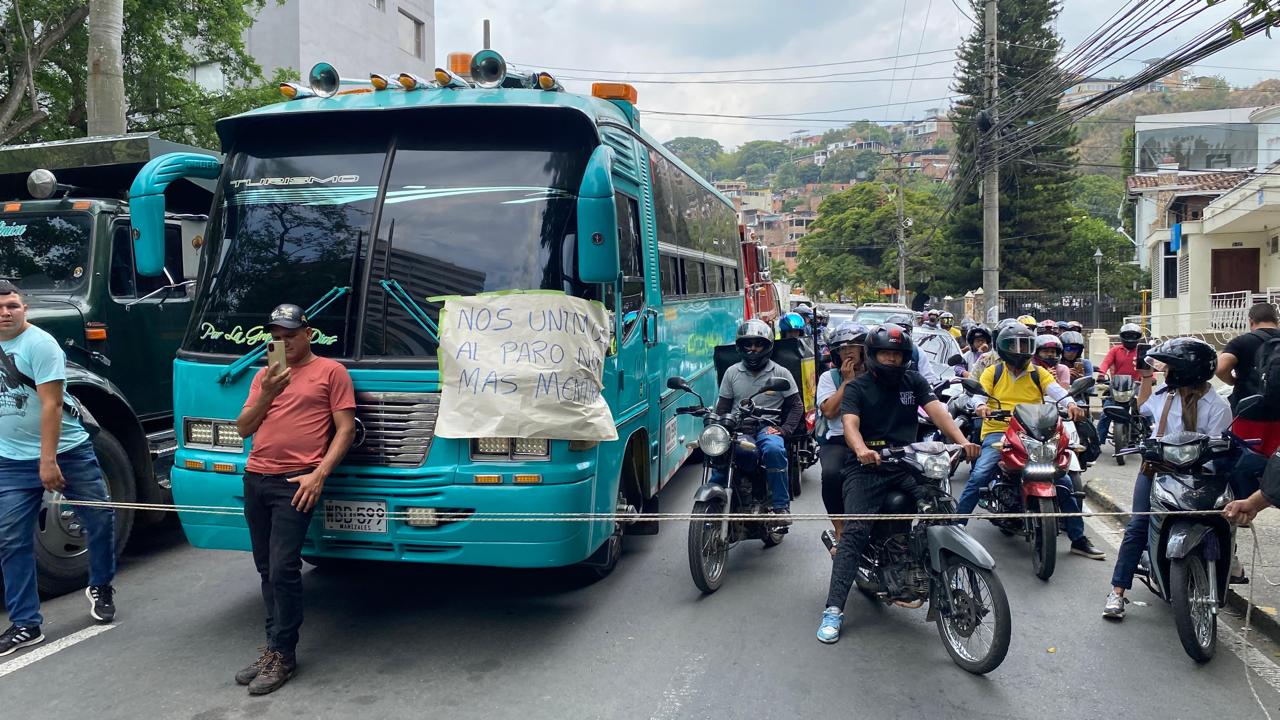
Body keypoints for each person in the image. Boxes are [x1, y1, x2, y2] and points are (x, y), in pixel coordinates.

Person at [816, 325, 979, 643]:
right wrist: (862, 449)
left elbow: (938, 413)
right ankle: (833, 609)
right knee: (854, 535)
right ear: (873, 356)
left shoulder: (913, 380)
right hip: (867, 468)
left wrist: (962, 441)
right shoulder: (856, 387)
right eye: (884, 354)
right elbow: (849, 424)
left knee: (940, 506)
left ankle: (913, 561)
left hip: (908, 461)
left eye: (897, 354)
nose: (891, 359)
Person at [233, 303, 357, 695]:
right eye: (276, 337)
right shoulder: (263, 376)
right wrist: (268, 392)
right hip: (257, 478)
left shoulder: (331, 373)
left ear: (309, 333)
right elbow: (243, 429)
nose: (283, 342)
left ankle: (284, 654)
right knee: (266, 567)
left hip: (295, 483)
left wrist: (319, 475)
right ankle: (272, 648)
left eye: (290, 335)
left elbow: (345, 430)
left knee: (284, 567)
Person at [0, 280, 117, 657]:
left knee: (99, 519)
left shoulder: (40, 344)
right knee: (11, 539)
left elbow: (51, 405)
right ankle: (26, 624)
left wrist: (47, 461)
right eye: (0, 307)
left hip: (66, 451)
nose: (6, 312)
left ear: (25, 309)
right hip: (10, 460)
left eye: (13, 305)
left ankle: (101, 585)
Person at [954, 323, 1106, 559]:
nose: (1020, 349)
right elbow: (978, 396)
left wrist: (1072, 405)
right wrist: (982, 406)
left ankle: (1078, 539)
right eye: (1014, 345)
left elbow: (1056, 392)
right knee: (980, 475)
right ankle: (956, 528)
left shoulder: (1038, 373)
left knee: (1063, 481)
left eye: (1025, 344)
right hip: (999, 431)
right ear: (1004, 348)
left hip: (1034, 433)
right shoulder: (993, 371)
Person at [1103, 338, 1229, 619]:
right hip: (1157, 470)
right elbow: (1141, 408)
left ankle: (1228, 566)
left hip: (1200, 476)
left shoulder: (1217, 405)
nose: (1165, 371)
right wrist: (1146, 378)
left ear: (1186, 370)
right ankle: (1118, 591)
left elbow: (1220, 447)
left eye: (1169, 367)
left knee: (1221, 519)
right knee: (1138, 525)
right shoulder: (1165, 394)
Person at [712, 319, 802, 522]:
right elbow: (723, 406)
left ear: (767, 346)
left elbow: (796, 406)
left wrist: (784, 430)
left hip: (766, 428)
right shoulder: (732, 372)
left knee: (774, 450)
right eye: (748, 344)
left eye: (758, 344)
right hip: (739, 428)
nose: (753, 349)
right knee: (723, 455)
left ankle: (780, 507)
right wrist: (718, 426)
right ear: (740, 347)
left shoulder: (780, 372)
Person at [1216, 302, 1280, 499]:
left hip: (1249, 413)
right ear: (1276, 321)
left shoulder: (1242, 342)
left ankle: (1243, 504)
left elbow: (1220, 368)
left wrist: (1234, 381)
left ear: (1251, 321)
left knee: (1244, 462)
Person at [816, 323, 869, 556]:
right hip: (837, 439)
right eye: (843, 348)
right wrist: (847, 381)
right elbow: (829, 411)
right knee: (830, 474)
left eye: (854, 347)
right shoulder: (830, 377)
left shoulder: (876, 376)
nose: (848, 352)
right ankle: (839, 528)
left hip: (872, 438)